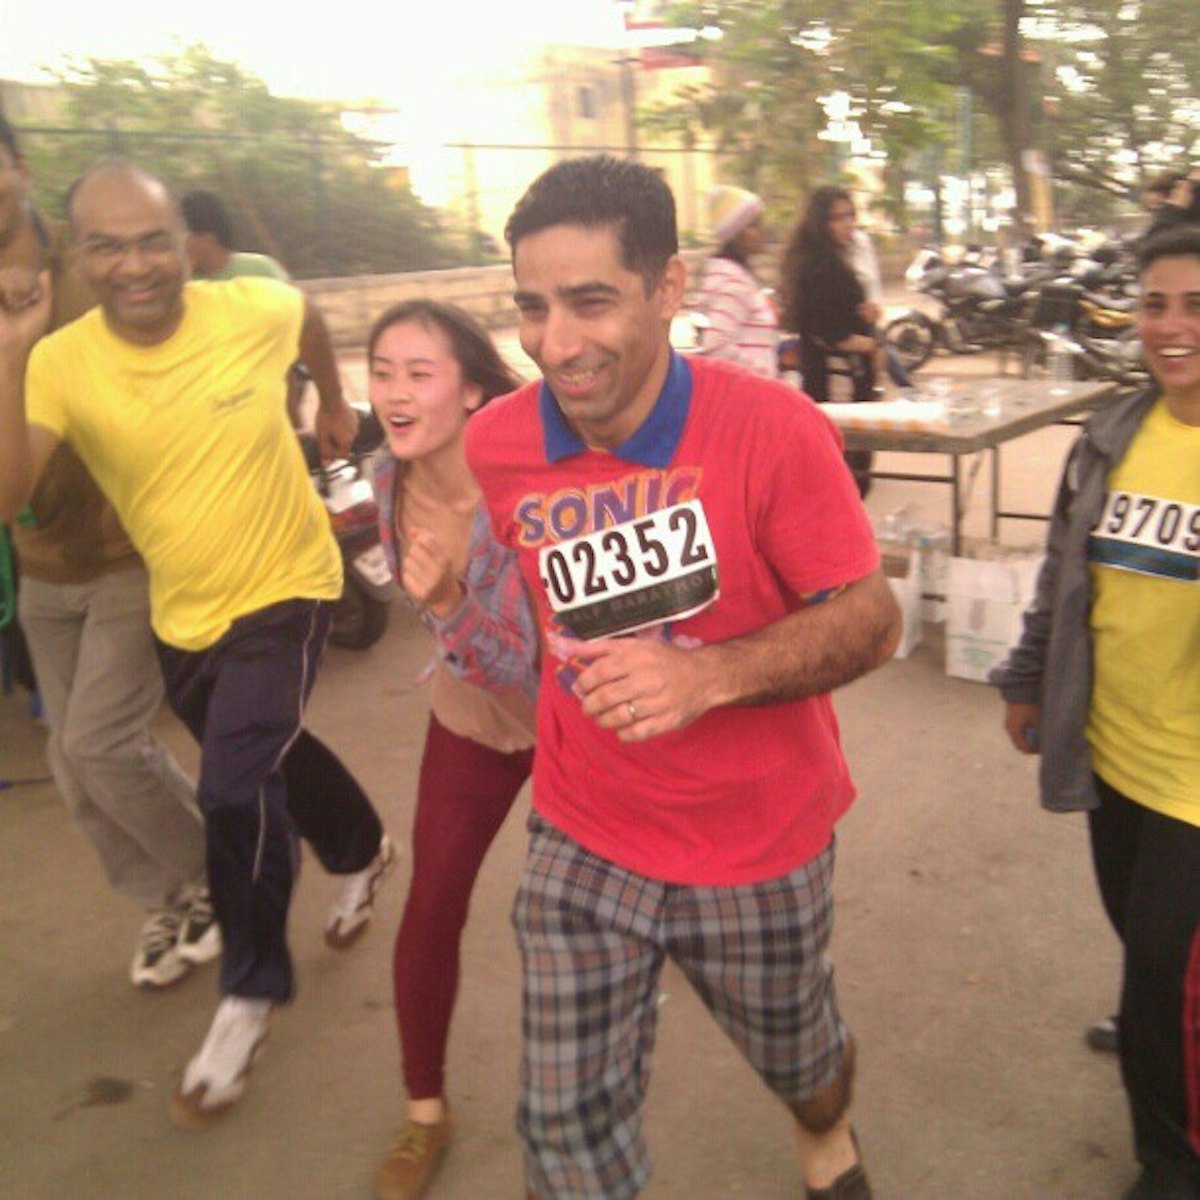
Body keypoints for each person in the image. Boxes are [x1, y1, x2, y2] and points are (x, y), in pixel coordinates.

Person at [432, 154, 901, 1200]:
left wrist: (708, 679)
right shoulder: (501, 444)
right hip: (583, 833)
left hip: (758, 844)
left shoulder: (771, 430)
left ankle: (824, 1122)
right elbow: (528, 636)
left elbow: (872, 620)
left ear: (670, 288)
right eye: (532, 308)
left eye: (590, 302)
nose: (556, 343)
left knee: (804, 1068)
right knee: (563, 1135)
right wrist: (450, 600)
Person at [0, 159, 395, 1127]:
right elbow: (10, 498)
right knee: (264, 756)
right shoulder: (60, 362)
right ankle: (364, 845)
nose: (134, 264)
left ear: (186, 246)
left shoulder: (247, 308)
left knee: (230, 785)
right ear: (77, 256)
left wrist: (335, 406)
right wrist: (10, 351)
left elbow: (305, 315)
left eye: (152, 240)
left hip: (288, 584)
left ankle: (251, 991)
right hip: (183, 613)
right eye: (108, 245)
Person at [992, 224, 1200, 1200]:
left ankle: (1171, 1157)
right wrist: (1027, 677)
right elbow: (1063, 577)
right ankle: (1161, 1019)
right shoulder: (1113, 432)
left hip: (1196, 774)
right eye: (1156, 304)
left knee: (1161, 957)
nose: (1172, 326)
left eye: (1195, 305)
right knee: (1139, 938)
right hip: (1113, 749)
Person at [0, 117, 215, 989]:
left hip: (131, 547)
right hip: (42, 560)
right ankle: (169, 893)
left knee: (99, 741)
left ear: (15, 167)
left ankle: (219, 873)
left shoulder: (96, 266)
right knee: (69, 762)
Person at [366, 301, 536, 1200]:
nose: (394, 392)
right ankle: (424, 1111)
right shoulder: (385, 481)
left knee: (581, 925)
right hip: (471, 721)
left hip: (569, 731)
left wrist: (453, 599)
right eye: (383, 370)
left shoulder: (527, 489)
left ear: (472, 390)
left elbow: (528, 664)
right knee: (431, 904)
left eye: (418, 373)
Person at [781, 187, 880, 497]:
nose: (847, 224)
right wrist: (870, 345)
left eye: (850, 216)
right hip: (838, 384)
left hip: (833, 380)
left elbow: (834, 317)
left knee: (843, 476)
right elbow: (830, 333)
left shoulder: (829, 259)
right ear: (820, 224)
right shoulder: (823, 267)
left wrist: (865, 317)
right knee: (845, 478)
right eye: (837, 218)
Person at [692, 185, 780, 378]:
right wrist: (761, 376)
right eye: (754, 225)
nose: (762, 231)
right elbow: (715, 345)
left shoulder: (738, 280)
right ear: (736, 235)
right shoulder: (734, 285)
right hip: (750, 400)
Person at [180, 188, 289, 282]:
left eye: (181, 233)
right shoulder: (180, 284)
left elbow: (295, 303)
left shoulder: (262, 270)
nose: (178, 243)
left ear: (208, 239)